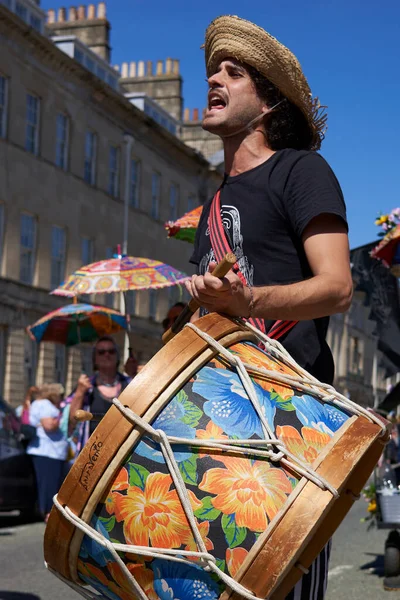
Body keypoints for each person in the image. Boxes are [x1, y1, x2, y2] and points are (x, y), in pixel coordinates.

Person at [185, 16, 353, 600]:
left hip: (294, 423)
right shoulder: (213, 206)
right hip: (221, 426)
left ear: (267, 103)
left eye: (234, 72)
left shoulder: (301, 171)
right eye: (213, 69)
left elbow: (337, 286)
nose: (214, 78)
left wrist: (246, 298)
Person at [64, 336, 137, 453]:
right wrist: (79, 392)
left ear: (118, 357)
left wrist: (135, 375)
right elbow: (72, 422)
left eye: (111, 351)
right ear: (95, 359)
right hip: (93, 455)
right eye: (101, 352)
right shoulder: (87, 387)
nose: (106, 355)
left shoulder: (130, 384)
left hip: (126, 451)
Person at [26, 383, 68, 522]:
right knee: (49, 483)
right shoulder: (44, 404)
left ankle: (47, 511)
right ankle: (48, 513)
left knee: (46, 482)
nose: (62, 398)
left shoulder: (39, 403)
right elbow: (49, 426)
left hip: (48, 451)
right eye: (60, 395)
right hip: (48, 451)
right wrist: (60, 419)